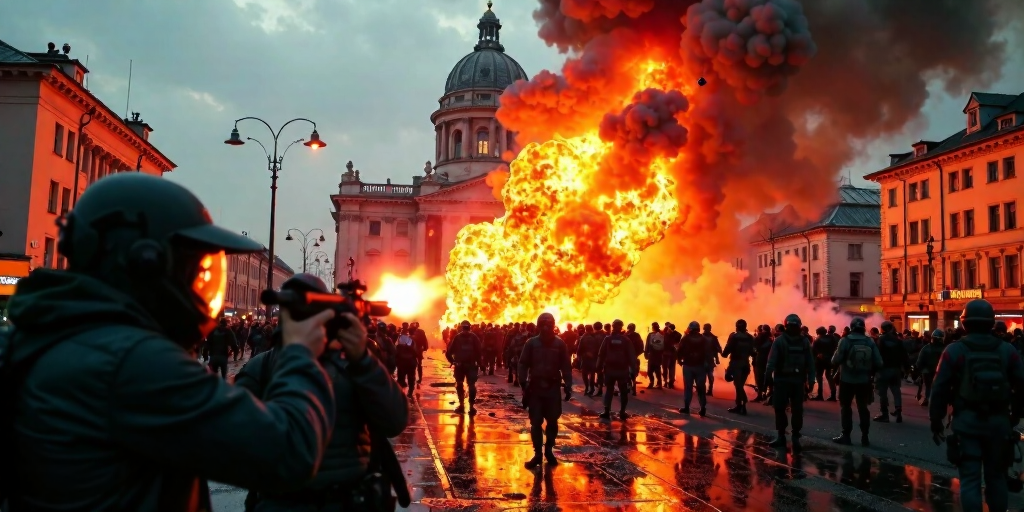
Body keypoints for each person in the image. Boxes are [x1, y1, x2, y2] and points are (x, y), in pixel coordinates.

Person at [2, 174, 337, 511]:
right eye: (197, 270)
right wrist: (300, 352)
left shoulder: (41, 337)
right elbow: (289, 453)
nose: (204, 286)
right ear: (147, 263)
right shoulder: (132, 362)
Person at [236, 274, 408, 512]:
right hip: (284, 501)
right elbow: (236, 443)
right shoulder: (262, 367)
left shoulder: (352, 362)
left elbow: (394, 421)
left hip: (347, 500)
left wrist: (363, 360)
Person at [930, 299, 1024, 512]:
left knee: (970, 480)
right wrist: (1014, 416)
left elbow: (940, 389)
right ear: (991, 322)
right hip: (999, 424)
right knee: (997, 478)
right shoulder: (1007, 350)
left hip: (966, 424)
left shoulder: (954, 351)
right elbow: (1021, 385)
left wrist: (936, 420)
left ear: (964, 323)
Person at [517, 312, 573, 469]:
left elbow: (566, 366)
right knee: (535, 422)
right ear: (539, 326)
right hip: (535, 388)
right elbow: (523, 364)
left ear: (554, 325)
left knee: (553, 421)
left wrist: (568, 384)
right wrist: (523, 383)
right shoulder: (531, 344)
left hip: (552, 388)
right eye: (543, 324)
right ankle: (537, 454)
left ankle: (549, 450)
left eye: (549, 324)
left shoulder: (560, 344)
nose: (547, 328)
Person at [765, 314, 815, 453]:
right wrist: (811, 380)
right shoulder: (804, 341)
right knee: (797, 409)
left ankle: (782, 436)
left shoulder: (779, 341)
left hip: (782, 381)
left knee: (780, 409)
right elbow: (810, 363)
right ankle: (795, 436)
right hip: (798, 381)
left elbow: (771, 362)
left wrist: (767, 378)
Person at [830, 317, 883, 446]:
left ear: (852, 327)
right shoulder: (869, 341)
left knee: (846, 407)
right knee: (863, 408)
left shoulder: (845, 341)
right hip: (864, 381)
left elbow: (835, 360)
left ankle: (846, 436)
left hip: (847, 380)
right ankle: (865, 437)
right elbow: (879, 362)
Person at [597, 319, 636, 421]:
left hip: (610, 369)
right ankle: (622, 412)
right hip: (622, 370)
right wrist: (634, 369)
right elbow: (631, 356)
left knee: (609, 390)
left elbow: (601, 354)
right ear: (621, 327)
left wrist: (598, 366)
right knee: (623, 391)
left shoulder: (608, 339)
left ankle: (606, 411)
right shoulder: (626, 340)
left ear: (613, 327)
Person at [875, 321, 909, 423]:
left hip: (884, 369)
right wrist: (906, 369)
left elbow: (877, 355)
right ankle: (898, 411)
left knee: (883, 392)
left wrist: (874, 369)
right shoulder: (898, 340)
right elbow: (904, 356)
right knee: (896, 391)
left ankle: (884, 414)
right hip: (896, 369)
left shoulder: (881, 340)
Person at [447, 320, 483, 414]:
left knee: (460, 384)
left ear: (461, 328)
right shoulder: (474, 337)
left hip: (460, 366)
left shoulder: (457, 337)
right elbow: (479, 351)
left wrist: (453, 361)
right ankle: (471, 407)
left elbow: (449, 352)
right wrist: (480, 363)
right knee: (471, 385)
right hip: (470, 365)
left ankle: (462, 406)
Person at [677, 321, 711, 417]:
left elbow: (679, 351)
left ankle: (687, 407)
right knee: (701, 388)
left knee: (688, 387)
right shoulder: (703, 339)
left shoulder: (686, 338)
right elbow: (708, 353)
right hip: (700, 367)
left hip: (688, 366)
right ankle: (703, 408)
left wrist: (679, 360)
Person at [722, 319, 755, 415]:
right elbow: (753, 353)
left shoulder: (734, 336)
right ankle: (740, 406)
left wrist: (724, 354)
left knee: (738, 385)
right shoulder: (750, 337)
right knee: (739, 385)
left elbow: (727, 350)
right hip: (746, 364)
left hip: (736, 364)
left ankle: (742, 404)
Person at [915, 329, 945, 406]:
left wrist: (920, 369)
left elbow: (919, 361)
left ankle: (928, 398)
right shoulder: (944, 349)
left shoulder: (926, 348)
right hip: (938, 371)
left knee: (928, 386)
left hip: (927, 371)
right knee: (937, 386)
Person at [812, 326, 838, 401]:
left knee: (819, 377)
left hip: (820, 361)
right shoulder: (832, 338)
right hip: (829, 360)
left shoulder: (817, 339)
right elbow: (835, 348)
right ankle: (833, 395)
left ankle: (820, 395)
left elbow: (814, 351)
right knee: (829, 376)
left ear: (818, 332)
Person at [577, 323, 603, 396]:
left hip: (585, 359)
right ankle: (591, 388)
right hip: (593, 359)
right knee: (592, 374)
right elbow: (599, 348)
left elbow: (579, 349)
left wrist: (579, 357)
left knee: (584, 374)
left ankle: (587, 387)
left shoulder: (583, 337)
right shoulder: (596, 337)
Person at [395, 328, 419, 398]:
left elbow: (396, 353)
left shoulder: (398, 343)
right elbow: (416, 353)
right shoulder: (412, 342)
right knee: (411, 378)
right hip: (410, 363)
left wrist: (396, 361)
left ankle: (400, 393)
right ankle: (410, 392)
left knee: (401, 378)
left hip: (402, 363)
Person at [644, 322, 665, 389]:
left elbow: (647, 345)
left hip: (652, 354)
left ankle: (652, 382)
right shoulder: (662, 334)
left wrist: (646, 353)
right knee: (657, 369)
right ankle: (659, 383)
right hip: (658, 355)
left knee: (650, 370)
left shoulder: (651, 335)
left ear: (653, 327)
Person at [703, 323, 721, 396]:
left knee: (707, 375)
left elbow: (718, 349)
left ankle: (708, 390)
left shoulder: (702, 337)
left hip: (706, 359)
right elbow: (718, 349)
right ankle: (707, 390)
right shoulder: (713, 338)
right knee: (706, 375)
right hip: (705, 359)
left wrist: (716, 358)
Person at [626, 323, 643, 397]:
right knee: (634, 373)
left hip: (627, 357)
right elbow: (641, 346)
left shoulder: (626, 335)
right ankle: (633, 388)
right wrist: (637, 354)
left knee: (627, 372)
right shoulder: (637, 335)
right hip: (634, 357)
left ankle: (629, 386)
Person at [662, 322, 680, 389]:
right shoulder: (676, 334)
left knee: (665, 368)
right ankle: (670, 382)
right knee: (671, 368)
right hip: (672, 354)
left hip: (666, 353)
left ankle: (667, 382)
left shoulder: (667, 334)